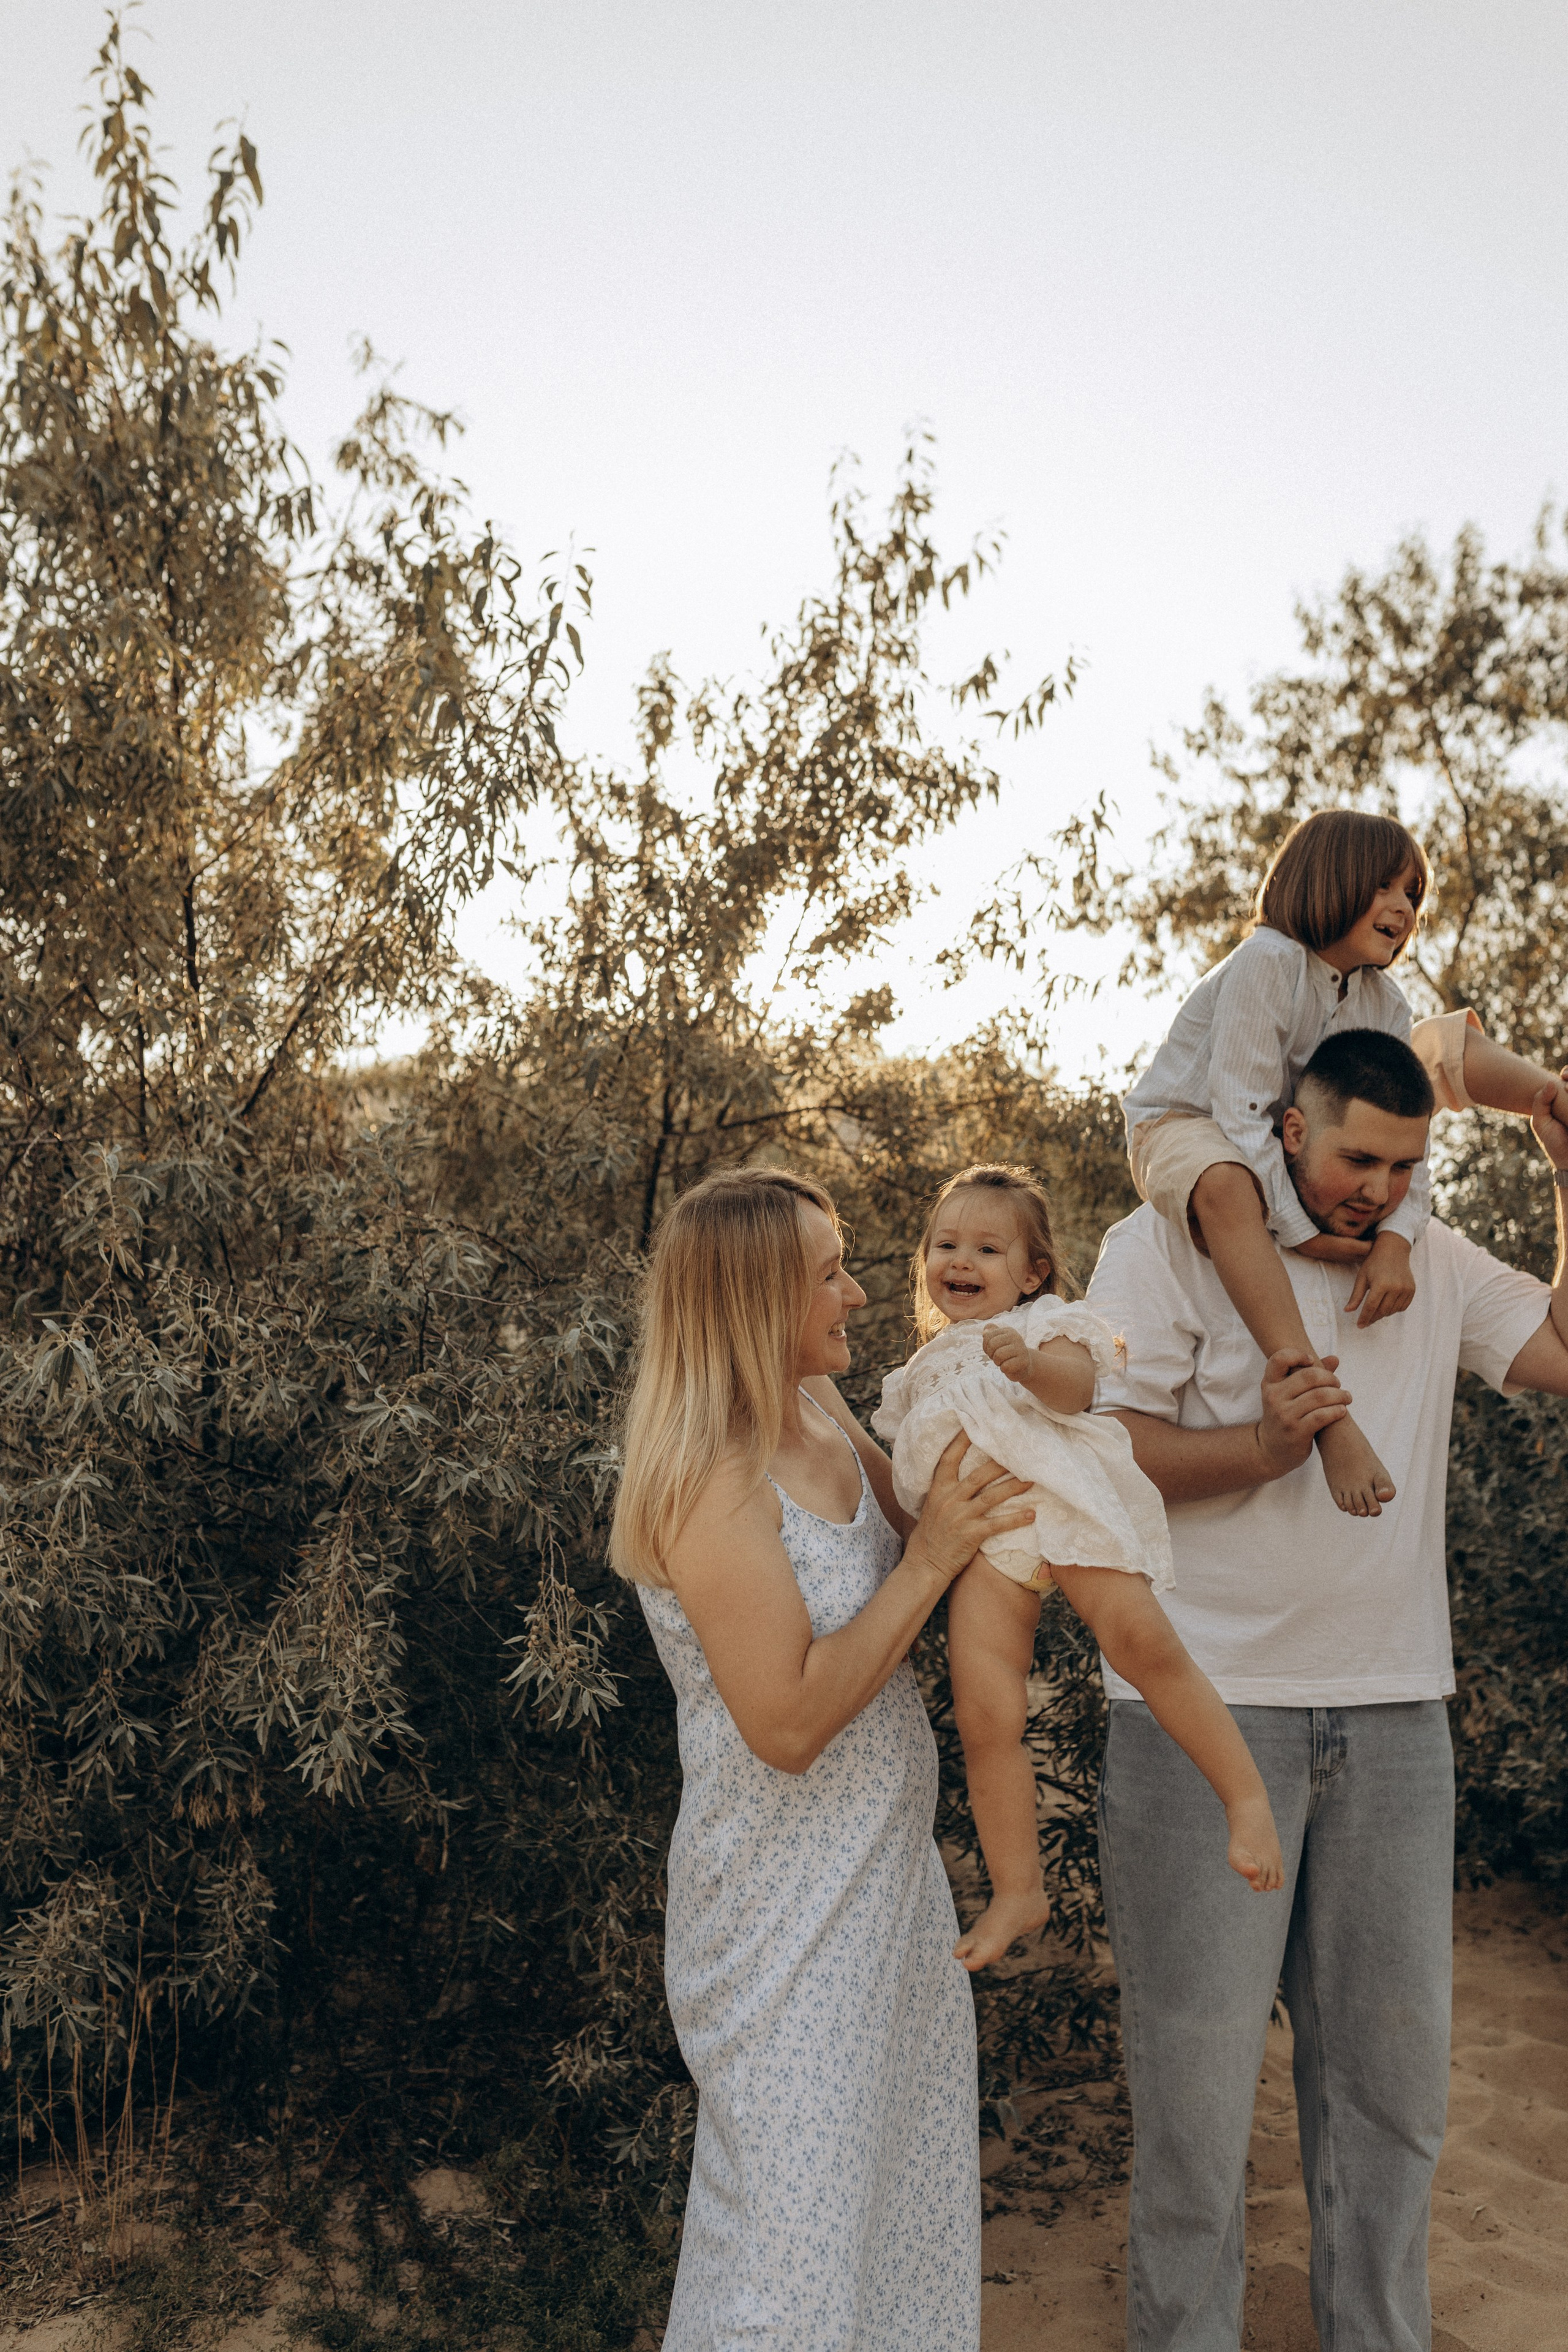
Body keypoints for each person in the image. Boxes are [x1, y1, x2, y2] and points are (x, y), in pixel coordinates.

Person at [1087, 1025, 1568, 2352]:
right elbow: (1104, 1445)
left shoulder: (1433, 1256)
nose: (1378, 1187)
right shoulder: (1166, 1244)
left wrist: (1563, 1166)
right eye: (1356, 1155)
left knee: (1389, 2100)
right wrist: (1258, 1447)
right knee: (1190, 2111)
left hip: (1396, 1718)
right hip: (1200, 1716)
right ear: (1287, 1129)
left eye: (1404, 1165)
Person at [610, 1166, 1034, 2352]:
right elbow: (787, 1725)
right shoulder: (709, 1477)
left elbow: (941, 1535)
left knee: (900, 2215)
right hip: (779, 1911)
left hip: (888, 1887)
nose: (856, 1292)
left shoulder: (816, 1416)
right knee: (784, 2264)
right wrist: (931, 1557)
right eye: (828, 1273)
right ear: (755, 1300)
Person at [872, 1162, 1283, 1973]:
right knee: (986, 1714)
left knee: (1144, 1645)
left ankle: (1247, 1797)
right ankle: (1018, 1889)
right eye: (946, 1243)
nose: (961, 1259)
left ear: (1031, 1274)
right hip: (988, 1541)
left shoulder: (1050, 1324)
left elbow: (1077, 1390)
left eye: (988, 1248)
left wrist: (1027, 1367)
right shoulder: (920, 1369)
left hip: (1059, 1504)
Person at [1123, 807, 1567, 1515]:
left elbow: (1404, 1126)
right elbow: (1237, 1112)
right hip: (1189, 1124)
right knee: (1226, 1185)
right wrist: (1301, 1232)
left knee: (1422, 1056)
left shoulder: (1383, 1000)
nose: (1402, 907)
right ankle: (1326, 1416)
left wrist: (1394, 1241)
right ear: (1328, 879)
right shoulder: (1268, 960)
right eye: (1385, 886)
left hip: (1293, 1131)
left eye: (1413, 895)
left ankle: (1556, 1097)